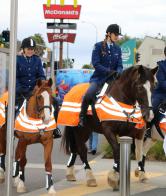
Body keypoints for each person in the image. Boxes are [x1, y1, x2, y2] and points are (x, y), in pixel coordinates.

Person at [16, 37, 61, 138]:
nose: (30, 51)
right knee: (12, 107)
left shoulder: (37, 60)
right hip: (21, 91)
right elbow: (15, 77)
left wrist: (39, 85)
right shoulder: (17, 60)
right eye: (28, 49)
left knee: (56, 102)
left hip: (35, 91)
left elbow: (41, 75)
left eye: (32, 49)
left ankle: (55, 128)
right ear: (23, 49)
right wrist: (20, 89)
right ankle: (11, 128)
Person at [79, 24, 123, 127]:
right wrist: (108, 71)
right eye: (115, 34)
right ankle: (82, 117)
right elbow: (96, 64)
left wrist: (119, 72)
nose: (117, 37)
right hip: (98, 79)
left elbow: (120, 65)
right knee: (89, 94)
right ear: (108, 34)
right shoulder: (98, 46)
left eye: (118, 35)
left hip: (112, 80)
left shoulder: (118, 49)